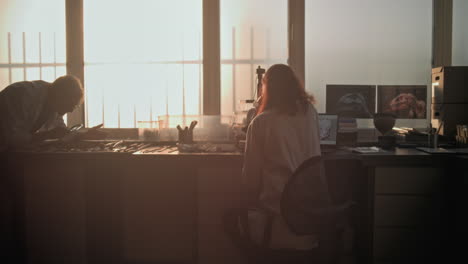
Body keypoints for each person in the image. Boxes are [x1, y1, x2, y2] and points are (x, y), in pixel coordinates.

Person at [241, 64, 321, 250]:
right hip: (312, 213)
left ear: (266, 88)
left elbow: (250, 180)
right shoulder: (309, 112)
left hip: (278, 216)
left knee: (229, 217)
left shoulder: (261, 122)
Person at [0, 75, 84, 150]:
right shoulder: (21, 94)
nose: (71, 110)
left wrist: (80, 135)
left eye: (75, 106)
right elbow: (11, 137)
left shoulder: (54, 105)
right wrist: (48, 135)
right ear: (61, 96)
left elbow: (60, 130)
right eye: (71, 104)